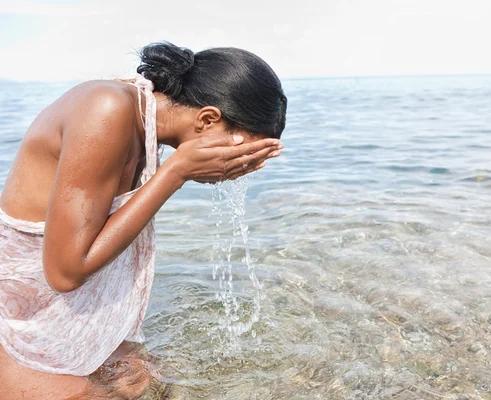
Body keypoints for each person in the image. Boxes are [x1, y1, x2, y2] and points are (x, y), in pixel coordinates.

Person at [0, 42, 286, 399]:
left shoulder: (142, 117)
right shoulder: (106, 109)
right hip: (20, 314)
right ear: (208, 120)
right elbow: (65, 272)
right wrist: (176, 171)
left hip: (66, 306)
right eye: (241, 153)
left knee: (152, 385)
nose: (239, 169)